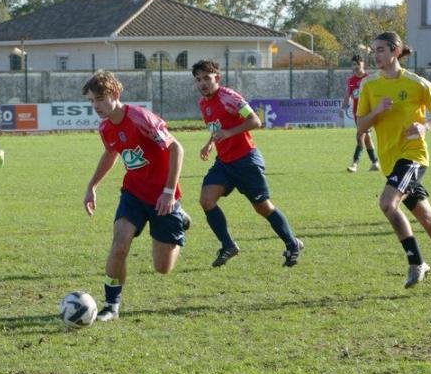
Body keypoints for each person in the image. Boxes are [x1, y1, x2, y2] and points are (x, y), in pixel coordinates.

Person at [82, 71, 190, 322]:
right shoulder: (106, 127)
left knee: (162, 268)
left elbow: (176, 148)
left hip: (163, 196)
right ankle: (111, 305)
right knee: (119, 245)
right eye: (91, 101)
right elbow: (111, 154)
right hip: (133, 194)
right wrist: (92, 186)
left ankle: (180, 219)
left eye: (100, 99)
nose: (96, 106)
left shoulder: (141, 118)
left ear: (116, 95)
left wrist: (168, 192)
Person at [192, 59, 303, 268]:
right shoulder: (203, 103)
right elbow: (218, 128)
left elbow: (255, 120)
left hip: (246, 161)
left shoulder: (229, 98)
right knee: (207, 200)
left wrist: (229, 133)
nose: (202, 83)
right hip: (224, 163)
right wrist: (210, 144)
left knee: (263, 207)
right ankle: (228, 246)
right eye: (198, 79)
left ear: (217, 77)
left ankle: (292, 243)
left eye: (207, 78)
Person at [356, 31, 431, 288]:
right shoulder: (369, 86)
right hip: (390, 162)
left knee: (387, 203)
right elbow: (361, 126)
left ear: (395, 51)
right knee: (430, 222)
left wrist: (426, 127)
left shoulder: (417, 83)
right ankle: (420, 262)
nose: (376, 55)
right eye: (373, 51)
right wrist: (377, 111)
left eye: (381, 50)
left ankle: (416, 262)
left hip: (413, 156)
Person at [344, 54, 379, 172]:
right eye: (353, 64)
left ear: (363, 64)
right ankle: (375, 162)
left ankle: (354, 164)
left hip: (367, 113)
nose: (356, 66)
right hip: (356, 113)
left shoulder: (369, 79)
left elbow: (375, 95)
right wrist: (342, 108)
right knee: (367, 138)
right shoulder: (350, 80)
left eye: (358, 64)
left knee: (360, 136)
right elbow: (347, 94)